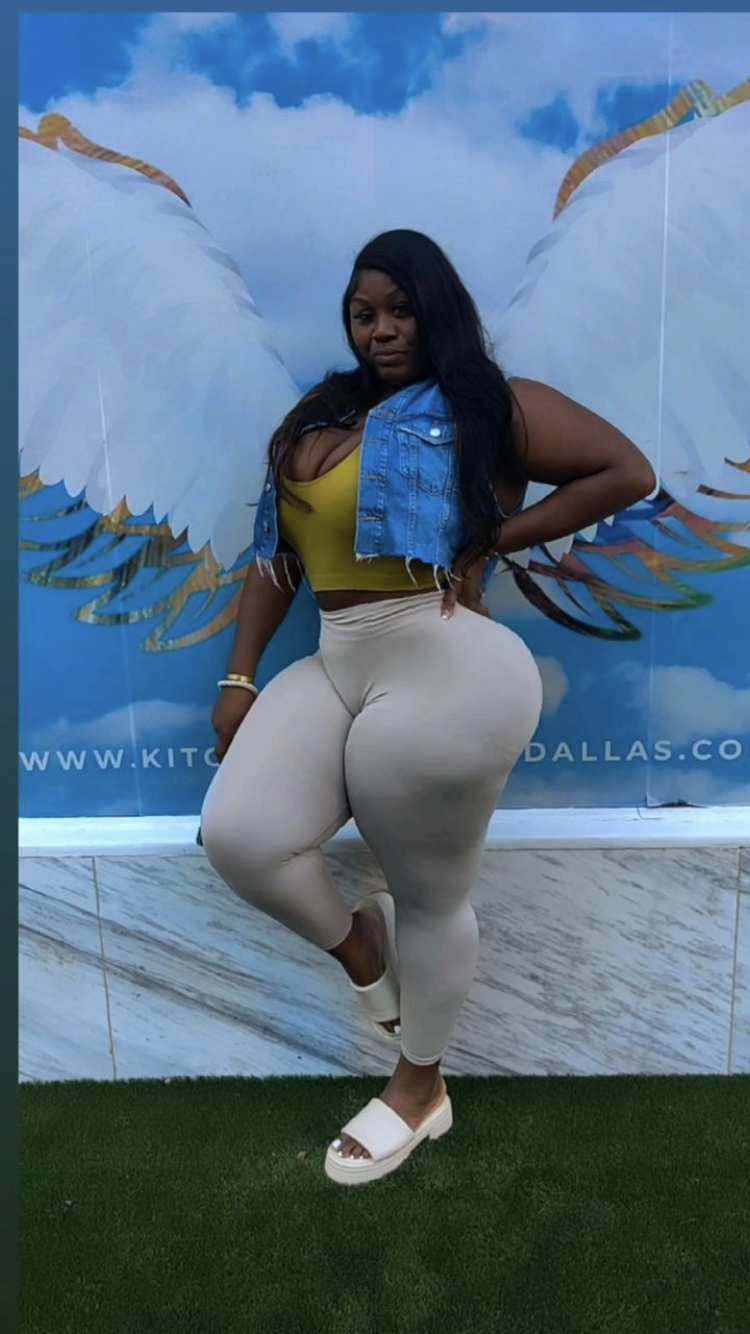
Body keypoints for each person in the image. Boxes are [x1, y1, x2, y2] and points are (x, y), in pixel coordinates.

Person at [200, 229, 656, 1185]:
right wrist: (240, 678)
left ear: (437, 308)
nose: (381, 330)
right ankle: (361, 949)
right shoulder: (318, 414)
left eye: (401, 310)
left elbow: (625, 470)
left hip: (441, 653)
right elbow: (274, 558)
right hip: (337, 656)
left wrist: (494, 539)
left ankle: (420, 1087)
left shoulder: (486, 403)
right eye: (363, 314)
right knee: (242, 836)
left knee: (431, 890)